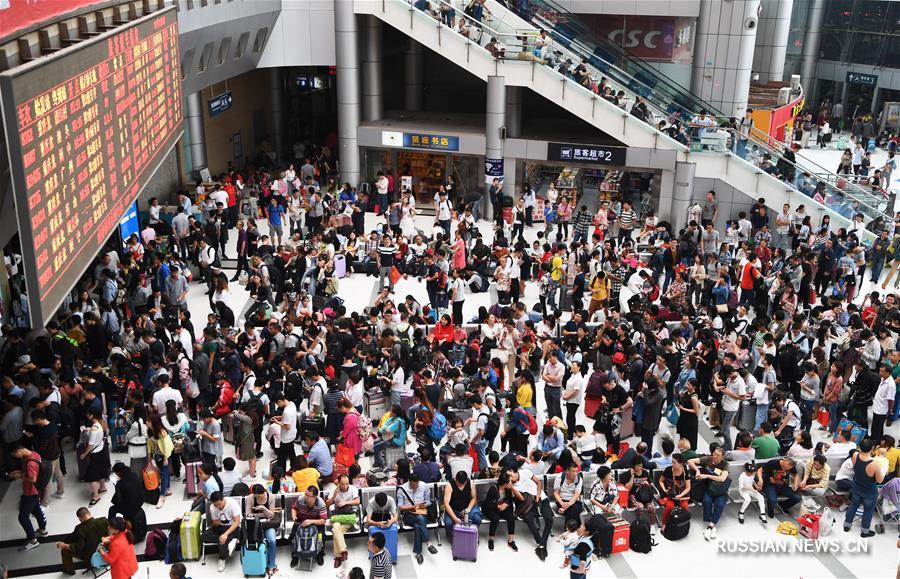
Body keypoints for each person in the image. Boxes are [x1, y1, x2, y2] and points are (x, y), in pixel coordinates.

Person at [843, 438, 886, 537]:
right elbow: (880, 480)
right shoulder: (875, 465)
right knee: (868, 510)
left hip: (857, 487)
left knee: (853, 505)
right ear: (872, 448)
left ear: (860, 447)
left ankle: (847, 525)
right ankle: (865, 531)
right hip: (869, 492)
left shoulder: (855, 455)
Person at [10, 445, 47, 550]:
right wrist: (20, 472)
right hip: (37, 491)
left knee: (22, 517)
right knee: (36, 510)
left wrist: (20, 476)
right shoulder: (35, 454)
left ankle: (32, 540)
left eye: (15, 454)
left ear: (19, 450)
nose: (16, 457)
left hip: (30, 492)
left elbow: (33, 479)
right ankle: (42, 529)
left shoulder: (30, 462)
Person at [397, 473, 439, 564]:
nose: (415, 487)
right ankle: (429, 543)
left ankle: (418, 553)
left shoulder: (424, 486)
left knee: (417, 526)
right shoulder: (402, 489)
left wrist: (423, 505)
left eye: (417, 485)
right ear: (409, 482)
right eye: (413, 485)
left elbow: (428, 502)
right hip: (409, 514)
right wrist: (411, 507)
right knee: (420, 519)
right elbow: (400, 506)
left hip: (422, 511)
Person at [57, 508, 108, 575]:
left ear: (80, 518)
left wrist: (64, 545)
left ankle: (69, 570)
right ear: (89, 513)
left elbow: (78, 547)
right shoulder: (103, 520)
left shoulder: (80, 529)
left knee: (64, 551)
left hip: (91, 555)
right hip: (105, 550)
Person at [245, 483, 282, 575]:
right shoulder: (250, 498)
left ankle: (271, 565)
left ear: (264, 492)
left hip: (269, 524)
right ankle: (260, 562)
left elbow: (272, 515)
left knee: (272, 540)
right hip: (255, 524)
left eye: (261, 497)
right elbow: (247, 514)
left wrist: (264, 509)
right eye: (257, 497)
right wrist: (262, 514)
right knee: (258, 541)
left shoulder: (271, 497)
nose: (259, 499)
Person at [325, 474, 360, 567]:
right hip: (337, 517)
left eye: (347, 484)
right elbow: (327, 505)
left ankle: (338, 557)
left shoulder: (353, 488)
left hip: (349, 518)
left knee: (336, 529)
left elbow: (357, 501)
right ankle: (343, 551)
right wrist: (334, 496)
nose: (345, 486)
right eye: (342, 484)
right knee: (336, 527)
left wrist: (345, 502)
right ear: (338, 483)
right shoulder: (334, 490)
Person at [204, 491, 242, 572]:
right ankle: (230, 540)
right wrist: (215, 523)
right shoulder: (212, 507)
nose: (217, 507)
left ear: (223, 499)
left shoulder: (232, 504)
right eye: (215, 505)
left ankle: (222, 558)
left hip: (233, 527)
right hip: (221, 527)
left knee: (223, 541)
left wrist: (225, 534)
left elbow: (237, 522)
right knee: (205, 535)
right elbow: (215, 523)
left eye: (219, 504)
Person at [443, 470, 482, 538]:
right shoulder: (450, 485)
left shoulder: (470, 483)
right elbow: (446, 504)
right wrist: (454, 518)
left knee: (477, 519)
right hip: (453, 510)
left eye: (463, 484)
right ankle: (454, 539)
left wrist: (468, 509)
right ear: (456, 480)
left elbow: (474, 498)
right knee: (448, 523)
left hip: (466, 509)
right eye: (459, 484)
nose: (461, 485)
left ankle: (472, 535)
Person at [658, 453, 691, 531]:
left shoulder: (685, 471)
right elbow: (660, 481)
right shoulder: (668, 470)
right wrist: (664, 489)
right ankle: (664, 523)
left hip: (682, 494)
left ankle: (681, 521)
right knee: (669, 506)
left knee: (685, 506)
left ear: (681, 464)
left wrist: (680, 496)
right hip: (670, 494)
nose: (672, 464)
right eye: (672, 462)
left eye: (674, 462)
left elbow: (688, 488)